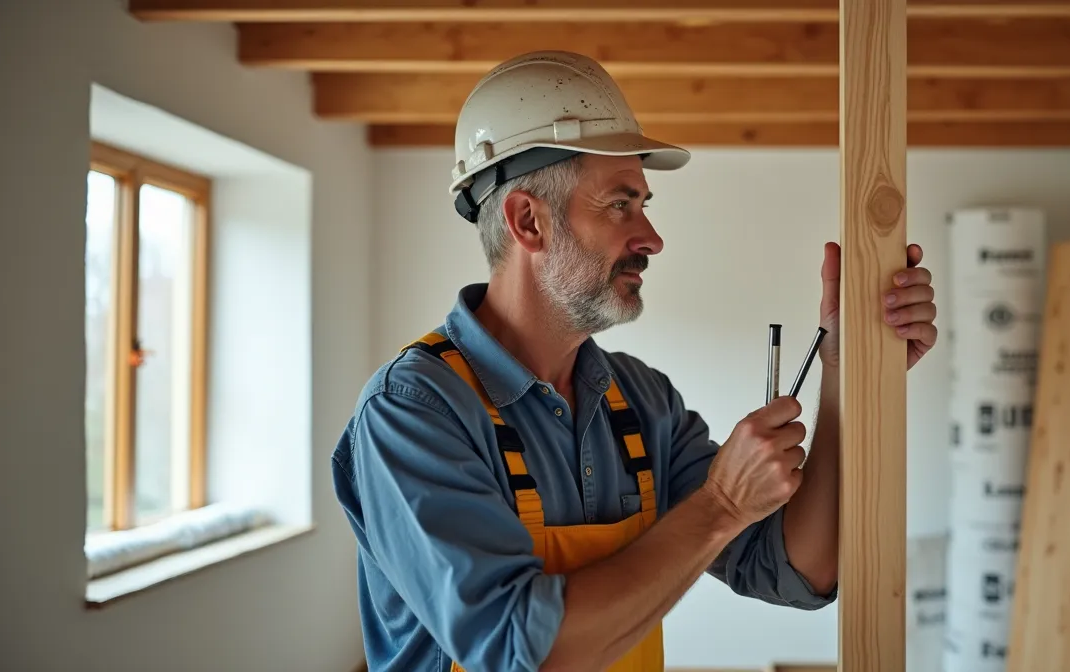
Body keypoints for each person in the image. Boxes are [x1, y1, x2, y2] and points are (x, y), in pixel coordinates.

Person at [331, 51, 938, 672]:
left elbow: (796, 569)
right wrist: (721, 506)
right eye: (620, 204)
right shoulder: (412, 413)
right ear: (528, 221)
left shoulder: (640, 402)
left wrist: (846, 376)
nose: (651, 238)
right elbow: (523, 652)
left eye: (644, 204)